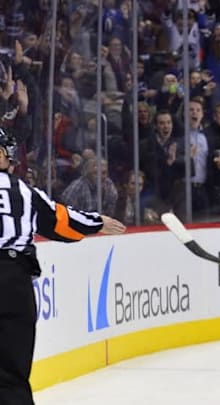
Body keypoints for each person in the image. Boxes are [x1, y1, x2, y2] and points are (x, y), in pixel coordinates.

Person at [0, 128, 126, 404]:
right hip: (12, 282)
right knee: (11, 375)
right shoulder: (21, 190)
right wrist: (96, 222)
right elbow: (61, 221)